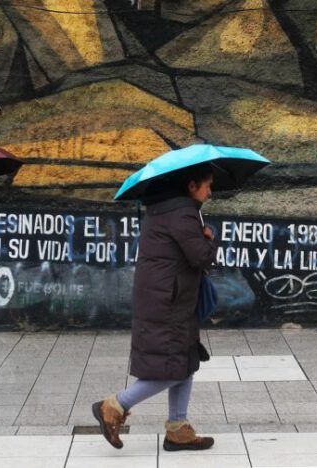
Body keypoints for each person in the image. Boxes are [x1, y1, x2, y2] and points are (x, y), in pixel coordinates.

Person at [92, 163, 217, 451]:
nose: (210, 192)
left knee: (185, 363)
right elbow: (200, 257)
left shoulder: (164, 209)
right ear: (191, 186)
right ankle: (113, 407)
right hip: (168, 303)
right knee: (171, 369)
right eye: (207, 185)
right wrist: (209, 239)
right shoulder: (182, 213)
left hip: (168, 299)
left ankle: (178, 429)